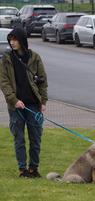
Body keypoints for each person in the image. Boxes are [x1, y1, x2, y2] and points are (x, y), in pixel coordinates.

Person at [0, 28, 48, 178]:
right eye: (10, 40)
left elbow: (42, 80)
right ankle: (23, 169)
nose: (12, 42)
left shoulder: (35, 57)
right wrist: (14, 100)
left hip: (33, 105)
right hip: (16, 107)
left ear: (22, 41)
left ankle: (34, 168)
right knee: (19, 139)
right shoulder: (6, 59)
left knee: (35, 138)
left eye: (15, 39)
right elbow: (4, 82)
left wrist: (43, 101)